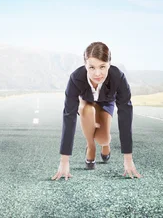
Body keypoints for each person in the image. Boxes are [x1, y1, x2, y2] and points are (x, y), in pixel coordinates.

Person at [52, 41, 141, 180]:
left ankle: (105, 144)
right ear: (85, 65)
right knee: (87, 110)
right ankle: (90, 147)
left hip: (107, 103)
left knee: (103, 138)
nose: (97, 73)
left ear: (109, 64)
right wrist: (64, 161)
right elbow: (69, 115)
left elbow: (125, 114)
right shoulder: (76, 78)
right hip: (87, 102)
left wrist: (128, 159)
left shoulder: (118, 77)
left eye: (102, 67)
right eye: (92, 67)